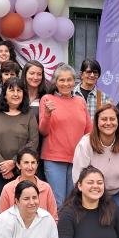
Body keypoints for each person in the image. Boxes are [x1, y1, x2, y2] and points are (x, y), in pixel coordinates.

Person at [0, 77, 38, 221]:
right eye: (11, 90)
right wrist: (2, 165)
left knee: (18, 208)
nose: (15, 94)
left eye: (19, 90)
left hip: (20, 171)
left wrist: (13, 162)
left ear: (23, 94)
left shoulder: (29, 115)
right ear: (4, 94)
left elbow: (33, 142)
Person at [39, 64, 92, 207]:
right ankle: (58, 230)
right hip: (54, 158)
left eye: (69, 80)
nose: (66, 83)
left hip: (78, 158)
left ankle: (70, 229)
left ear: (74, 81)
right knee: (58, 201)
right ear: (55, 82)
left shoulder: (80, 101)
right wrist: (48, 114)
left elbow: (89, 131)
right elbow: (43, 131)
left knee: (74, 201)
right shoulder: (47, 99)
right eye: (61, 80)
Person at [72, 104, 119, 211]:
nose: (108, 123)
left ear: (118, 122)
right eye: (104, 119)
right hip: (93, 194)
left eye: (112, 119)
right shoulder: (86, 143)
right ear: (97, 122)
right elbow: (78, 176)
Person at [0, 148, 58, 220]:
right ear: (18, 165)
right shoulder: (8, 189)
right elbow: (2, 219)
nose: (30, 167)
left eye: (33, 162)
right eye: (26, 162)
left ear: (37, 165)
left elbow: (53, 218)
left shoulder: (46, 188)